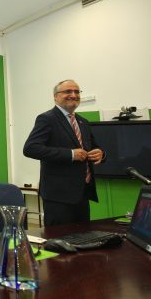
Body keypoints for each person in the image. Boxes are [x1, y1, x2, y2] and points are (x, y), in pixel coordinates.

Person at [23, 79, 104, 226]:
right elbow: (30, 148)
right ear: (55, 97)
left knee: (83, 238)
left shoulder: (83, 122)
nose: (73, 95)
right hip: (58, 197)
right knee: (58, 242)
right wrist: (71, 154)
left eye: (76, 91)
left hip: (82, 194)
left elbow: (94, 148)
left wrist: (101, 154)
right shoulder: (47, 119)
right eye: (67, 91)